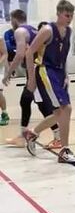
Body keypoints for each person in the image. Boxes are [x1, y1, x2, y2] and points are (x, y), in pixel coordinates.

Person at [23, 0, 75, 164]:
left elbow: (63, 57)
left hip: (59, 72)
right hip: (45, 71)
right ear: (58, 14)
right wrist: (31, 79)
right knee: (66, 109)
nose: (69, 18)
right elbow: (29, 53)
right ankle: (64, 150)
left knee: (59, 114)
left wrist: (66, 74)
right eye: (67, 15)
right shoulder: (48, 30)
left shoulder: (68, 32)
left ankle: (32, 133)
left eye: (71, 15)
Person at [3, 11, 61, 148]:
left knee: (43, 105)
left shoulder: (20, 31)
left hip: (36, 72)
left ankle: (55, 136)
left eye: (11, 20)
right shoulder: (33, 30)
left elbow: (20, 54)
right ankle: (23, 136)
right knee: (27, 101)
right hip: (37, 70)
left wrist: (8, 72)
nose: (11, 23)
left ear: (14, 19)